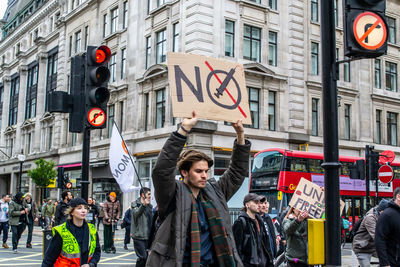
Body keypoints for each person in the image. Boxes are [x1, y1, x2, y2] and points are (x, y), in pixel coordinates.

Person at [147, 111, 251, 266]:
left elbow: (236, 172)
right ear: (184, 172)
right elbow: (161, 171)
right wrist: (183, 130)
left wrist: (240, 135)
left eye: (206, 171)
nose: (204, 175)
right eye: (198, 171)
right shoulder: (172, 195)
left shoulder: (215, 191)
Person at [41, 197, 101, 267]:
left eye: (85, 208)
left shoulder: (92, 229)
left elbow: (97, 252)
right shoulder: (62, 231)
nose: (83, 210)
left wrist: (91, 264)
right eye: (79, 208)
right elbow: (49, 258)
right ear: (71, 212)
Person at [233, 193, 273, 267]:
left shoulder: (260, 221)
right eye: (255, 202)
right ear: (247, 205)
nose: (259, 205)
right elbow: (236, 249)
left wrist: (269, 262)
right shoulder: (240, 222)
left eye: (259, 202)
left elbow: (266, 245)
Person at [352, 199, 389, 267]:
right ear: (381, 211)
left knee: (389, 259)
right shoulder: (370, 218)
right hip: (362, 247)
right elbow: (376, 236)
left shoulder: (382, 216)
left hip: (373, 247)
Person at [375, 187, 400, 267]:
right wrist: (385, 263)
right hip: (393, 262)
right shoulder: (387, 215)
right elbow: (379, 240)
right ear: (398, 197)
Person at [130, 187, 153, 267]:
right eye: (148, 194)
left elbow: (151, 221)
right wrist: (143, 205)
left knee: (148, 259)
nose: (150, 196)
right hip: (138, 236)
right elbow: (136, 214)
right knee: (143, 257)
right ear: (143, 195)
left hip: (148, 237)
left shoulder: (150, 206)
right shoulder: (134, 204)